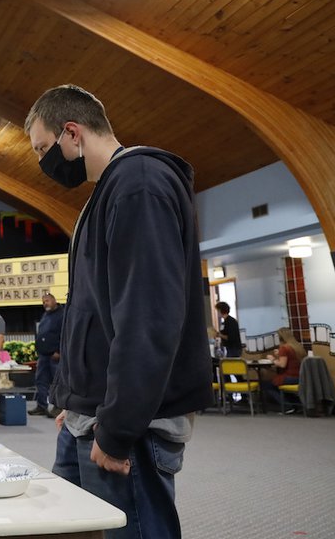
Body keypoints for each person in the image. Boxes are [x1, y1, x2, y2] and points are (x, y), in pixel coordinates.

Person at [26, 84, 212, 539]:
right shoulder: (106, 193)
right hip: (89, 415)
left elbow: (148, 318)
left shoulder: (139, 184)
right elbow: (94, 310)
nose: (41, 163)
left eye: (43, 149)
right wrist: (74, 397)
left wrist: (116, 427)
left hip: (130, 427)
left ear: (73, 133)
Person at [30, 293, 63, 416]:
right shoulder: (46, 315)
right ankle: (41, 405)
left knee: (57, 381)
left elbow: (65, 335)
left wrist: (59, 351)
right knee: (40, 380)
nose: (45, 304)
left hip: (55, 355)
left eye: (47, 301)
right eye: (43, 302)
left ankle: (58, 407)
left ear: (54, 300)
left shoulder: (62, 315)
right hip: (43, 355)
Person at [261, 327, 305, 413]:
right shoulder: (297, 347)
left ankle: (287, 406)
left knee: (266, 385)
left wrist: (272, 359)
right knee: (277, 385)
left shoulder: (284, 348)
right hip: (300, 376)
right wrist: (279, 354)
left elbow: (282, 364)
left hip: (290, 376)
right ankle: (297, 403)